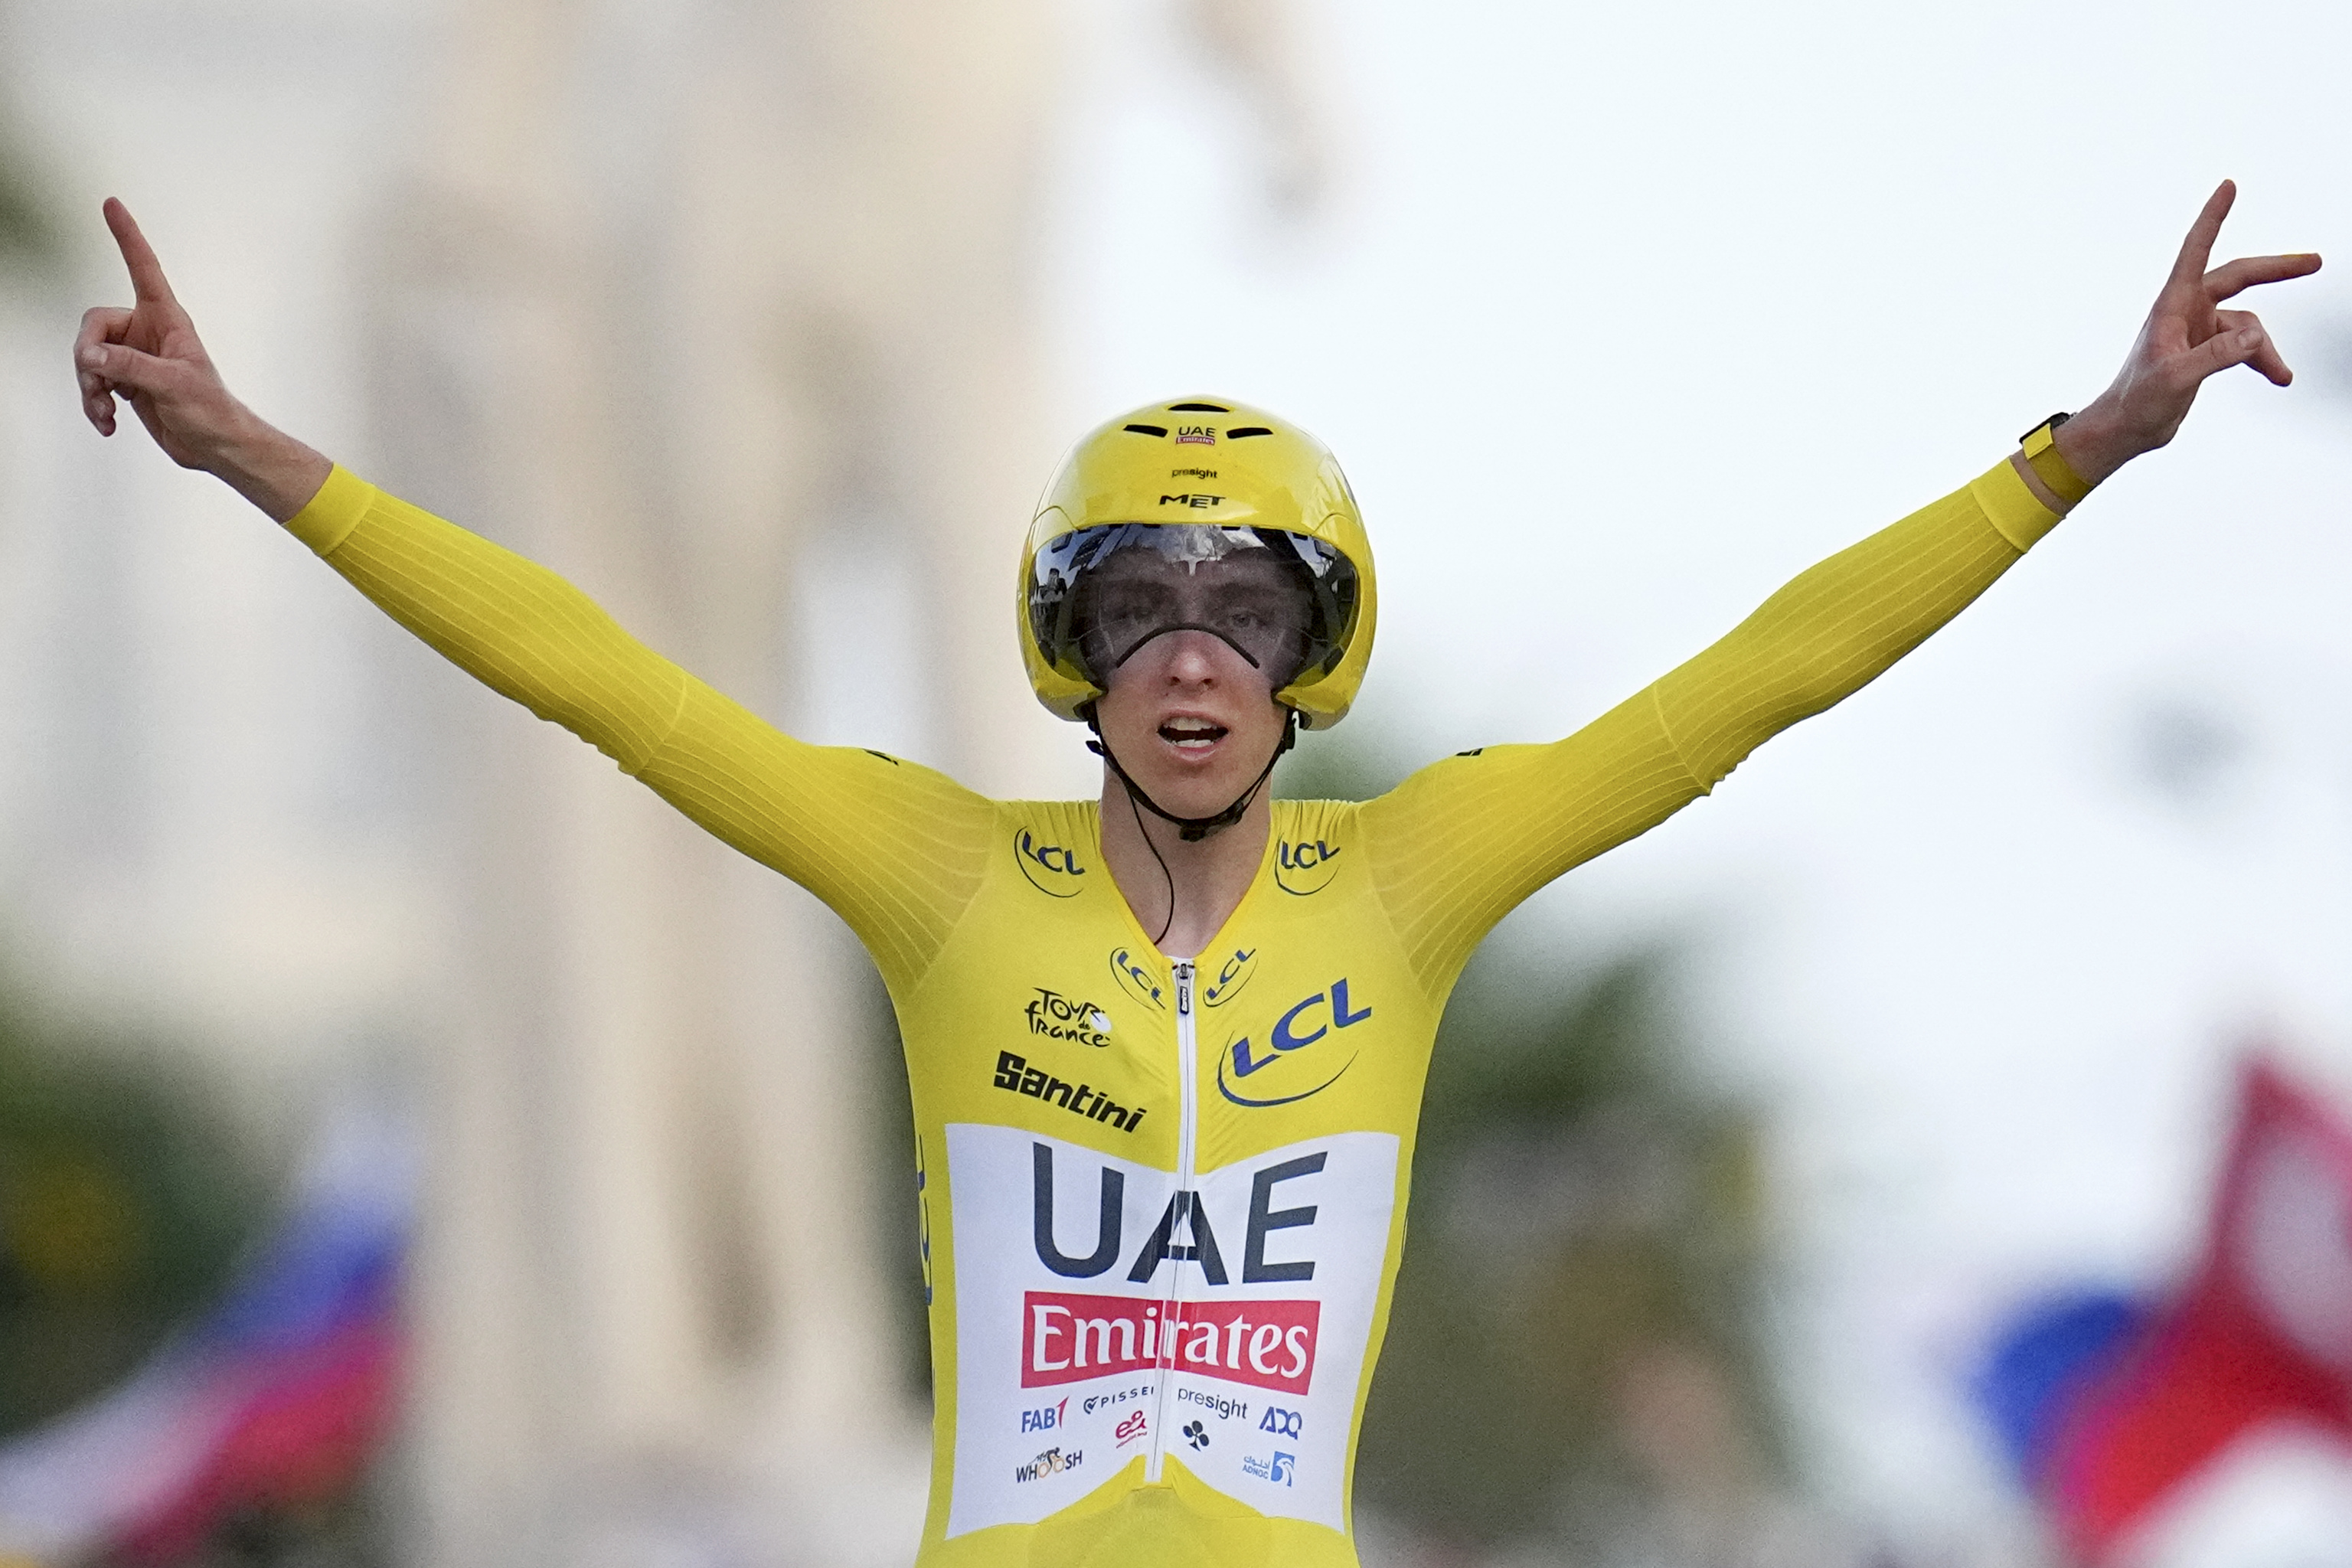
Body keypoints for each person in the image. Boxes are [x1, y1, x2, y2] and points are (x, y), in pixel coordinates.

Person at [70, 187, 2315, 1568]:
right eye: (1138, 606)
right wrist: (259, 453)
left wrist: (2080, 449)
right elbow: (603, 681)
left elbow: (1747, 688)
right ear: (1071, 645)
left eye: (1246, 613)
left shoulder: (1413, 879)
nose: (1190, 660)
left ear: (1309, 655)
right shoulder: (942, 871)